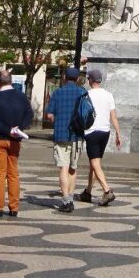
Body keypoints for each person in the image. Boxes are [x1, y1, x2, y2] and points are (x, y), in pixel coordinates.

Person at [0, 68, 33, 216]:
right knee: (13, 174)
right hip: (15, 140)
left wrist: (7, 130)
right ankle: (14, 208)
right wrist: (18, 128)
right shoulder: (22, 97)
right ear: (11, 81)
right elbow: (29, 114)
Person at [78, 67, 122, 206]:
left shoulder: (87, 94)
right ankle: (88, 191)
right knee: (95, 163)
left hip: (91, 131)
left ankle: (107, 191)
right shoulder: (108, 95)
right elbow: (113, 116)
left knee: (95, 163)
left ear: (90, 80)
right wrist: (118, 133)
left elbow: (82, 114)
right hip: (105, 131)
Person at [47, 65, 88, 211]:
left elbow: (49, 115)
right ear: (77, 79)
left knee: (63, 167)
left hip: (61, 134)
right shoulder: (83, 92)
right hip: (77, 135)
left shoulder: (58, 93)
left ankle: (66, 201)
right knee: (73, 168)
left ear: (64, 78)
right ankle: (70, 196)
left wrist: (57, 119)